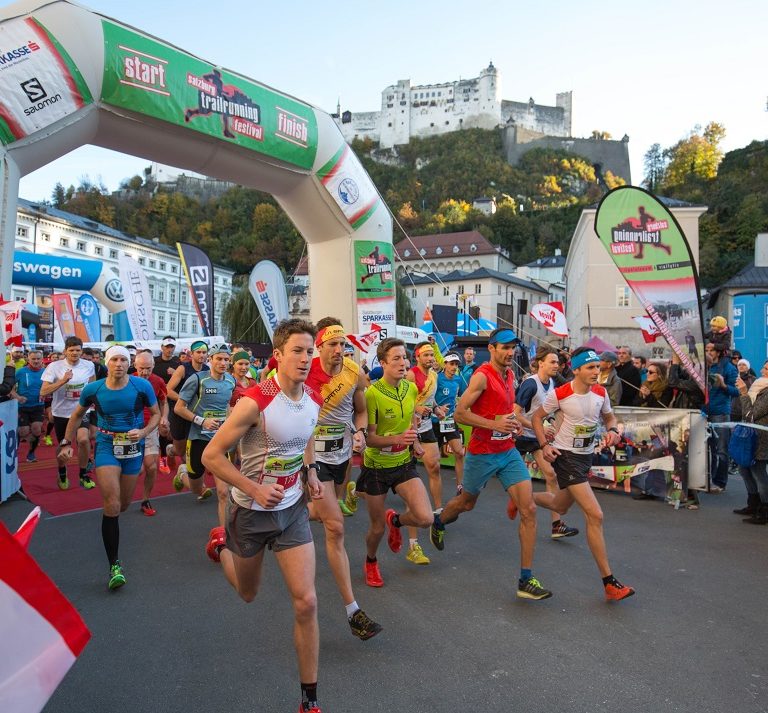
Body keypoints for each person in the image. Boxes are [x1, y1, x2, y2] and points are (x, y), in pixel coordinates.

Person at [201, 319, 325, 713]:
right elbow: (211, 457)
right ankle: (221, 547)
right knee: (248, 593)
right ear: (277, 356)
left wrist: (310, 472)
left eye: (310, 351)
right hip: (250, 513)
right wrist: (254, 489)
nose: (306, 359)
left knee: (306, 603)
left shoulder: (313, 399)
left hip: (292, 511)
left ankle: (309, 700)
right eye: (297, 351)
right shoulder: (255, 401)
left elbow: (304, 439)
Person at [431, 329, 552, 601]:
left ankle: (525, 579)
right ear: (492, 348)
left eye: (513, 348)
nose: (510, 353)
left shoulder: (509, 375)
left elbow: (507, 411)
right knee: (466, 504)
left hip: (507, 450)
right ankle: (438, 520)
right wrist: (495, 425)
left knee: (529, 508)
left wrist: (519, 427)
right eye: (504, 348)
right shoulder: (482, 375)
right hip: (482, 452)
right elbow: (461, 413)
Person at [529, 347, 635, 602]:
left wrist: (613, 432)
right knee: (595, 514)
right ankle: (609, 583)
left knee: (559, 505)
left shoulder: (600, 393)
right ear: (575, 369)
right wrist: (545, 445)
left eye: (598, 367)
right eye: (590, 367)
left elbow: (609, 418)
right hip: (565, 458)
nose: (596, 372)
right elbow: (536, 418)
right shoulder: (561, 393)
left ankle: (525, 498)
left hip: (585, 456)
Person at [304, 318, 382, 640]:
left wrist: (361, 433)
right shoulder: (304, 372)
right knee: (335, 526)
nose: (339, 350)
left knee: (323, 510)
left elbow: (360, 411)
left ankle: (288, 511)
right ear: (319, 346)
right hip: (311, 456)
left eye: (343, 345)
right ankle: (353, 611)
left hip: (341, 455)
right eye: (332, 345)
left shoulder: (353, 373)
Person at [59, 346, 159, 589]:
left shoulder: (142, 386)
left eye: (124, 359)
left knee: (123, 505)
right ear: (107, 362)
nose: (119, 364)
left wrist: (144, 432)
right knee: (112, 504)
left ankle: (116, 520)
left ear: (129, 363)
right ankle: (114, 565)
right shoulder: (94, 388)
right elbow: (75, 416)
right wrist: (65, 442)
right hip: (105, 445)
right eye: (114, 359)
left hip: (133, 447)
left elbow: (156, 414)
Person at [357, 337, 434, 588]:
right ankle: (371, 561)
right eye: (397, 359)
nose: (403, 363)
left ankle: (397, 521)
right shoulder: (372, 394)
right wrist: (398, 438)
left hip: (403, 464)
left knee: (425, 518)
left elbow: (411, 417)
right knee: (376, 529)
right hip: (377, 468)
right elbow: (369, 439)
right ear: (382, 363)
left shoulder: (410, 389)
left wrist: (415, 441)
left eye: (405, 358)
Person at [513, 346, 579, 538]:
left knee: (551, 475)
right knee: (511, 479)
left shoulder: (551, 384)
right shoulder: (530, 384)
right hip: (518, 436)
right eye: (552, 362)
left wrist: (548, 425)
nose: (556, 365)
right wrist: (537, 426)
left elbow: (547, 413)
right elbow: (515, 413)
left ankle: (557, 525)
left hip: (535, 438)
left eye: (558, 362)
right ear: (540, 363)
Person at [173, 344, 235, 529]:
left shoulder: (230, 381)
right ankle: (183, 472)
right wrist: (202, 421)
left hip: (220, 441)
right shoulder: (198, 379)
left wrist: (230, 422)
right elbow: (179, 408)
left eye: (226, 359)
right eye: (219, 359)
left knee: (224, 492)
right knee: (196, 488)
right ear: (210, 359)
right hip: (198, 438)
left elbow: (227, 407)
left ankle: (224, 535)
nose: (223, 363)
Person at [404, 340, 447, 564]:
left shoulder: (434, 376)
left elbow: (432, 399)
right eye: (426, 355)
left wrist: (437, 409)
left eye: (432, 355)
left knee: (435, 466)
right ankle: (412, 540)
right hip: (409, 429)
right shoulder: (410, 376)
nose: (431, 358)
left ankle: (438, 512)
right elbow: (402, 399)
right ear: (417, 357)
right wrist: (416, 408)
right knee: (410, 480)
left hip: (427, 426)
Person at [40, 336, 96, 490]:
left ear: (81, 351)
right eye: (71, 350)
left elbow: (92, 386)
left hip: (81, 410)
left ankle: (83, 474)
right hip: (61, 413)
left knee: (84, 440)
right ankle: (62, 471)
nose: (75, 353)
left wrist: (95, 403)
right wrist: (63, 381)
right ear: (65, 351)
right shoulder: (54, 367)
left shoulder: (88, 365)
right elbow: (43, 391)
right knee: (64, 445)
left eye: (78, 350)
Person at [166, 340, 210, 480]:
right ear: (192, 354)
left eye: (204, 352)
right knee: (179, 449)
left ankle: (192, 475)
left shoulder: (208, 370)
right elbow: (168, 390)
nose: (201, 355)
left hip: (198, 413)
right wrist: (184, 400)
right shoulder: (183, 369)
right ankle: (169, 451)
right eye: (198, 352)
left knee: (195, 445)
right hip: (180, 412)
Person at [133, 352, 169, 516]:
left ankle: (145, 500)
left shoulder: (158, 381)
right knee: (137, 470)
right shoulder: (128, 380)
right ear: (135, 366)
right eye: (141, 369)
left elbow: (163, 401)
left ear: (153, 367)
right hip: (131, 430)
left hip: (150, 428)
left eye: (148, 369)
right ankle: (119, 495)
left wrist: (164, 418)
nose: (145, 372)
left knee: (151, 467)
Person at [736, 365, 768, 524]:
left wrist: (743, 393)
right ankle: (753, 504)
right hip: (751, 436)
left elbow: (751, 414)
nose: (762, 371)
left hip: (761, 438)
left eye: (767, 369)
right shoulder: (758, 389)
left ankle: (764, 511)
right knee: (744, 469)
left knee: (759, 472)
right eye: (764, 368)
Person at [706, 342, 738, 492]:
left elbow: (737, 391)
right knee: (706, 449)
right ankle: (707, 481)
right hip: (704, 412)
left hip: (720, 413)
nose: (708, 352)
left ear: (718, 352)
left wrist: (724, 385)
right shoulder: (703, 366)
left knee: (721, 449)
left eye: (710, 350)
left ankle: (720, 482)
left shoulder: (729, 368)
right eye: (706, 350)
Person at [434, 352, 465, 496]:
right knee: (434, 460)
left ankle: (460, 487)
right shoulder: (436, 378)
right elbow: (427, 398)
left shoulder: (458, 380)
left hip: (449, 421)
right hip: (435, 421)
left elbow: (466, 395)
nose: (454, 367)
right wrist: (437, 409)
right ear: (445, 364)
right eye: (451, 364)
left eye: (456, 364)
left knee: (459, 452)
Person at [152, 336, 180, 475]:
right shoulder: (155, 362)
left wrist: (177, 374)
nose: (169, 349)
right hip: (158, 400)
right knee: (163, 428)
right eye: (167, 347)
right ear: (162, 347)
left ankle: (171, 452)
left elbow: (185, 381)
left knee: (173, 430)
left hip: (174, 400)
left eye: (172, 347)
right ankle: (163, 457)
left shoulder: (178, 364)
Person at [14, 350, 46, 462]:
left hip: (38, 405)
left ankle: (31, 453)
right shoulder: (21, 372)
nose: (36, 361)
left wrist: (47, 393)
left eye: (38, 359)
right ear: (28, 359)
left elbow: (51, 386)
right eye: (33, 359)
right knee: (23, 431)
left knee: (37, 430)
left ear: (42, 359)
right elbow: (8, 386)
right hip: (23, 407)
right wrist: (18, 397)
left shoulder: (46, 372)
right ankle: (14, 449)